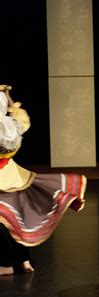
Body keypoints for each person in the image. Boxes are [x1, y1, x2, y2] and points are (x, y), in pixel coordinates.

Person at [0, 85, 86, 276]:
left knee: (4, 224)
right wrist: (7, 96)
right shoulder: (10, 125)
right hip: (13, 176)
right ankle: (24, 262)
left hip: (3, 181)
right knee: (14, 221)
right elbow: (20, 116)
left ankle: (6, 265)